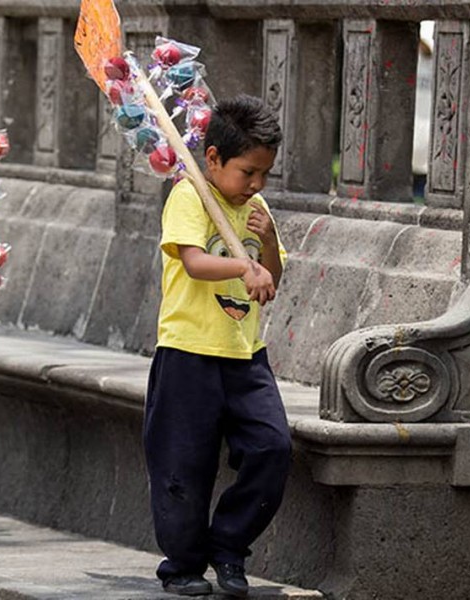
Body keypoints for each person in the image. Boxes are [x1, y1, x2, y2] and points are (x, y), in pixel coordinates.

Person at [144, 94, 293, 597]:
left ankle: (229, 547)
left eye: (264, 174)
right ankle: (183, 566)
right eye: (248, 172)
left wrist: (267, 243)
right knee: (183, 465)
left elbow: (271, 272)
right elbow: (194, 262)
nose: (256, 185)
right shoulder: (189, 195)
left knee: (273, 446)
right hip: (188, 350)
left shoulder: (255, 208)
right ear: (212, 159)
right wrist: (242, 267)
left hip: (245, 352)